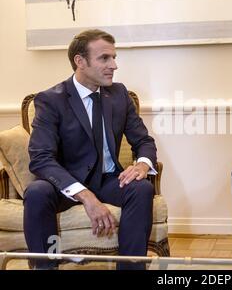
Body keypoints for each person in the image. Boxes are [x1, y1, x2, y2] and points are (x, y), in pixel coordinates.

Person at [24, 29, 157, 270]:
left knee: (141, 189)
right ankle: (46, 267)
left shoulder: (119, 94)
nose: (114, 65)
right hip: (64, 184)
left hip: (107, 179)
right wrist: (86, 196)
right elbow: (41, 158)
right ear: (80, 61)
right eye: (104, 58)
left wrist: (142, 164)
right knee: (36, 192)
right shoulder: (51, 100)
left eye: (114, 57)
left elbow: (144, 141)